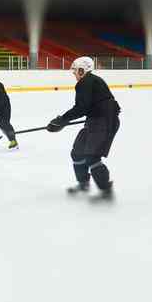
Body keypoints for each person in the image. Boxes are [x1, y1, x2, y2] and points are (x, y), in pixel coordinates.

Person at [47, 56, 120, 197]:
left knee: (92, 156)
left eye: (75, 70)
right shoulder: (91, 81)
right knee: (77, 153)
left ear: (82, 70)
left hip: (104, 122)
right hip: (96, 120)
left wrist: (62, 120)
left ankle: (105, 190)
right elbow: (90, 107)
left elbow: (82, 108)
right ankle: (83, 184)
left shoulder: (86, 82)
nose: (73, 73)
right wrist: (63, 120)